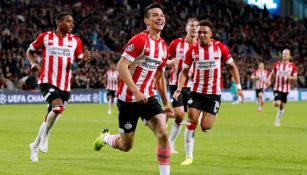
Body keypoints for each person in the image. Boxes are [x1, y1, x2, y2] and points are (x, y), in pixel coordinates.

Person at [93, 3, 174, 175]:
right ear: (146, 20)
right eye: (154, 15)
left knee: (163, 133)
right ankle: (105, 138)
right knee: (126, 145)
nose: (160, 18)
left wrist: (166, 103)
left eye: (161, 15)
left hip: (149, 97)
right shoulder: (139, 40)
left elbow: (159, 78)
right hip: (128, 99)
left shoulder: (164, 48)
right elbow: (121, 66)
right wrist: (136, 90)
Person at [173, 20, 244, 166]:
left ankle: (206, 118)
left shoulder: (220, 48)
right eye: (199, 32)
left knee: (206, 127)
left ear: (211, 34)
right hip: (196, 91)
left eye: (205, 32)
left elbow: (232, 67)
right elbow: (184, 71)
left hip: (214, 94)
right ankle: (189, 156)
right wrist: (179, 88)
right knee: (191, 120)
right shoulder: (192, 50)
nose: (202, 35)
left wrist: (239, 87)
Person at [27, 12, 91, 162]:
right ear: (59, 22)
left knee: (53, 116)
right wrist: (33, 63)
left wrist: (85, 60)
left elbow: (79, 63)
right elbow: (29, 51)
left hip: (65, 85)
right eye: (68, 21)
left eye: (72, 22)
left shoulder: (76, 41)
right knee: (57, 109)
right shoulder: (46, 37)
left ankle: (34, 145)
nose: (71, 24)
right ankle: (46, 136)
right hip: (47, 80)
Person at [167, 18, 199, 154]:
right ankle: (170, 142)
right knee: (179, 114)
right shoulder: (176, 43)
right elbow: (164, 59)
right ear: (186, 28)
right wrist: (170, 62)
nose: (194, 28)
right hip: (176, 83)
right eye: (191, 26)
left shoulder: (201, 47)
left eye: (196, 26)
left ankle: (172, 142)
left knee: (188, 117)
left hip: (193, 86)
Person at [267, 49, 297, 127]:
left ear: (289, 56)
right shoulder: (277, 64)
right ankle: (275, 101)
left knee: (282, 105)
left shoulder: (292, 66)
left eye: (286, 54)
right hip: (277, 87)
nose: (285, 55)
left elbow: (295, 78)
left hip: (286, 89)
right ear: (282, 55)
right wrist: (269, 79)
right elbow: (272, 73)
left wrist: (289, 78)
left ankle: (278, 119)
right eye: (284, 54)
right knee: (277, 103)